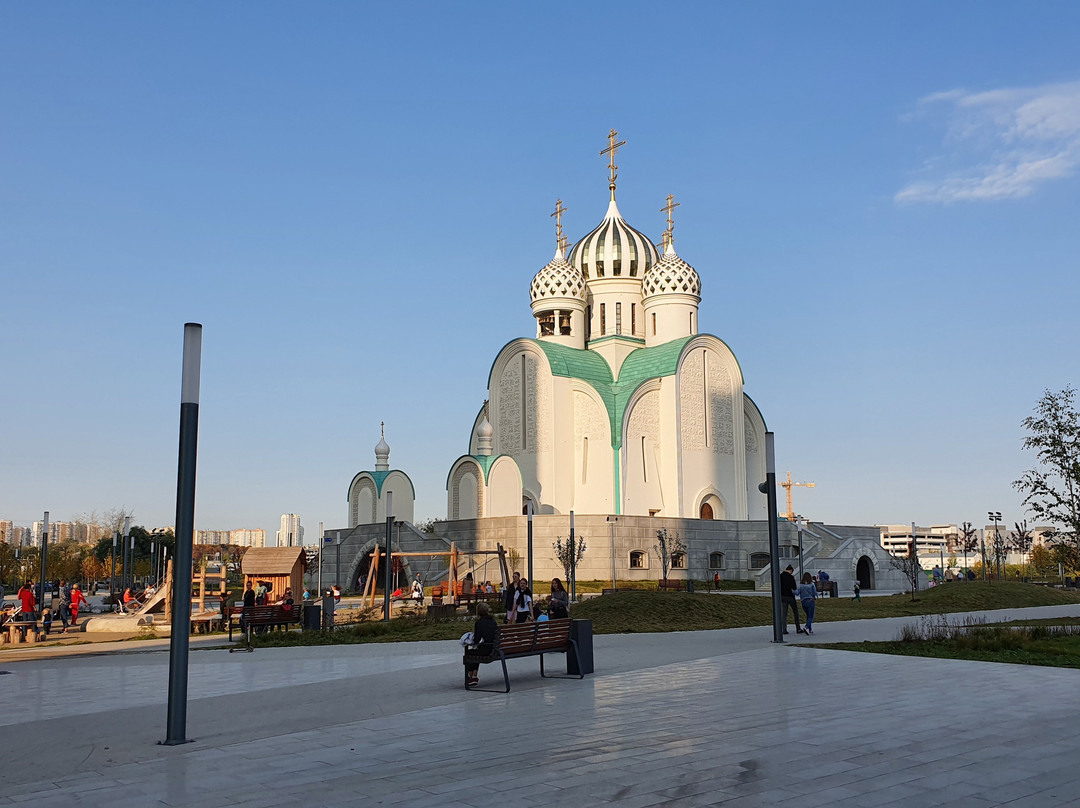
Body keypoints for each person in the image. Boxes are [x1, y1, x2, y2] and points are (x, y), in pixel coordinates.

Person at [465, 602, 497, 687]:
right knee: (477, 651)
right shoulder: (493, 621)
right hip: (495, 648)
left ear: (478, 612)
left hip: (488, 650)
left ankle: (471, 675)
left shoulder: (479, 623)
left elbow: (476, 640)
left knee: (470, 653)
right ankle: (473, 676)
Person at [780, 565, 803, 634]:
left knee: (784, 614)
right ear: (791, 570)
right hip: (790, 596)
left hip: (782, 596)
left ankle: (784, 629)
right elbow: (794, 587)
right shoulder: (791, 577)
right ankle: (798, 628)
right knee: (795, 612)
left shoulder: (780, 576)